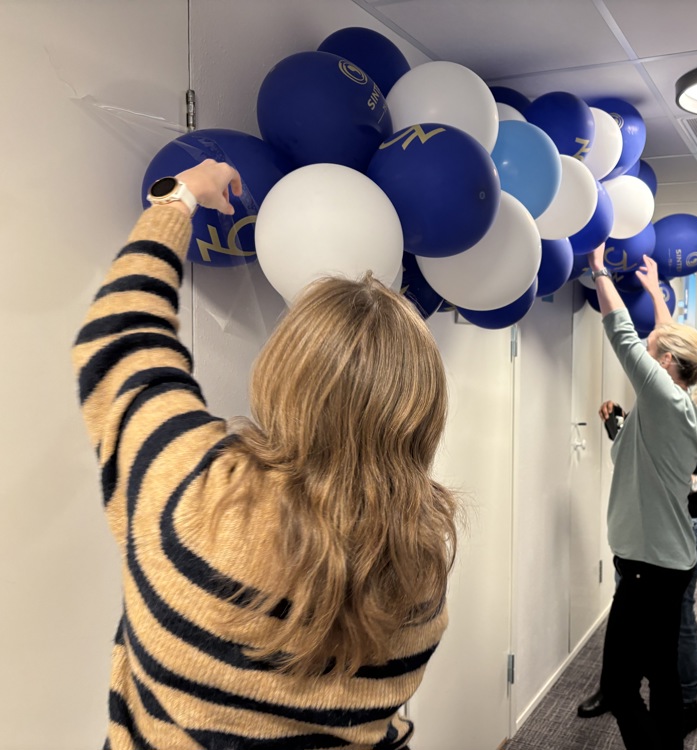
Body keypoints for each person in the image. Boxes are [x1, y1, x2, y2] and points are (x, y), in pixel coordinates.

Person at [72, 159, 457, 748]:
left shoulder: (194, 498)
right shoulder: (420, 576)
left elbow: (121, 337)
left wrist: (177, 202)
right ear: (423, 416)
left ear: (281, 376)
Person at [585, 246, 697, 750]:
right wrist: (655, 291)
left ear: (666, 364)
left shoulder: (670, 399)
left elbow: (622, 333)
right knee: (662, 671)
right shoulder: (691, 398)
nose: (649, 352)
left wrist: (599, 269)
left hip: (650, 567)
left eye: (657, 351)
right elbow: (670, 348)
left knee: (623, 689)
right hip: (664, 561)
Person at [577, 403, 697, 737]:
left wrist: (695, 481)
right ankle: (615, 689)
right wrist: (621, 426)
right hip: (640, 530)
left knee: (678, 615)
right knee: (626, 612)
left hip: (684, 528)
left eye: (658, 355)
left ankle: (686, 701)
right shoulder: (652, 400)